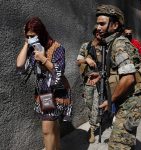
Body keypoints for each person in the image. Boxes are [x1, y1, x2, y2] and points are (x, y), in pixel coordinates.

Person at [95, 4, 141, 149]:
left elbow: (128, 78)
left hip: (130, 104)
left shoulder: (119, 45)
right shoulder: (112, 43)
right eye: (97, 23)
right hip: (125, 102)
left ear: (115, 25)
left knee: (117, 146)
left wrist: (110, 101)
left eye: (102, 24)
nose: (98, 27)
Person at [16, 17, 72, 150]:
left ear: (41, 33)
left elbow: (59, 71)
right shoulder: (32, 48)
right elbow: (19, 65)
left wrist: (43, 59)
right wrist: (26, 44)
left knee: (47, 130)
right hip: (44, 93)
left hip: (56, 91)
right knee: (53, 128)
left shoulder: (57, 47)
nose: (31, 38)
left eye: (33, 36)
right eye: (28, 36)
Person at [76, 27, 101, 143]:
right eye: (99, 32)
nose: (101, 34)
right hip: (88, 81)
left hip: (100, 82)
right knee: (89, 105)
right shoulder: (86, 46)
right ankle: (96, 119)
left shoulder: (106, 47)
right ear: (95, 33)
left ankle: (92, 129)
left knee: (96, 105)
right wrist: (87, 60)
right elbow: (78, 61)